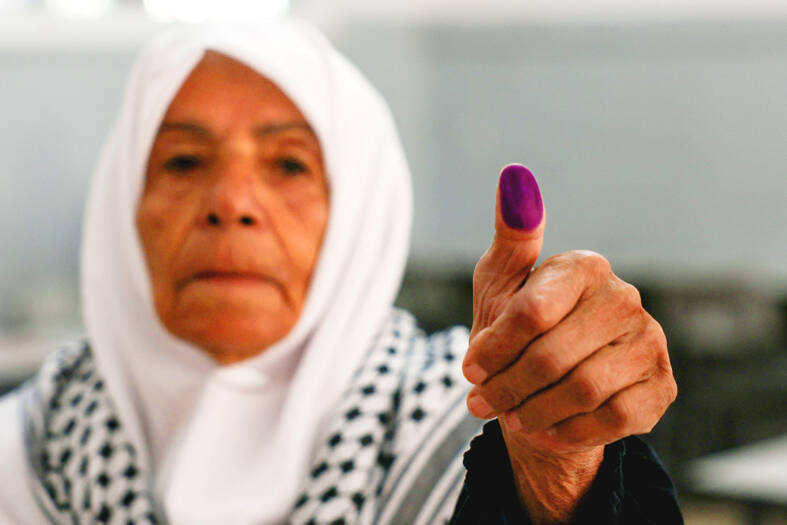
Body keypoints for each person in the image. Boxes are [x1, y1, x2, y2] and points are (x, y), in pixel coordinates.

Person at [0, 19, 682, 524]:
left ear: (359, 215)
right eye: (182, 161)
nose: (231, 203)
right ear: (125, 206)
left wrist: (557, 467)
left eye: (289, 164)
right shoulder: (25, 451)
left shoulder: (463, 418)